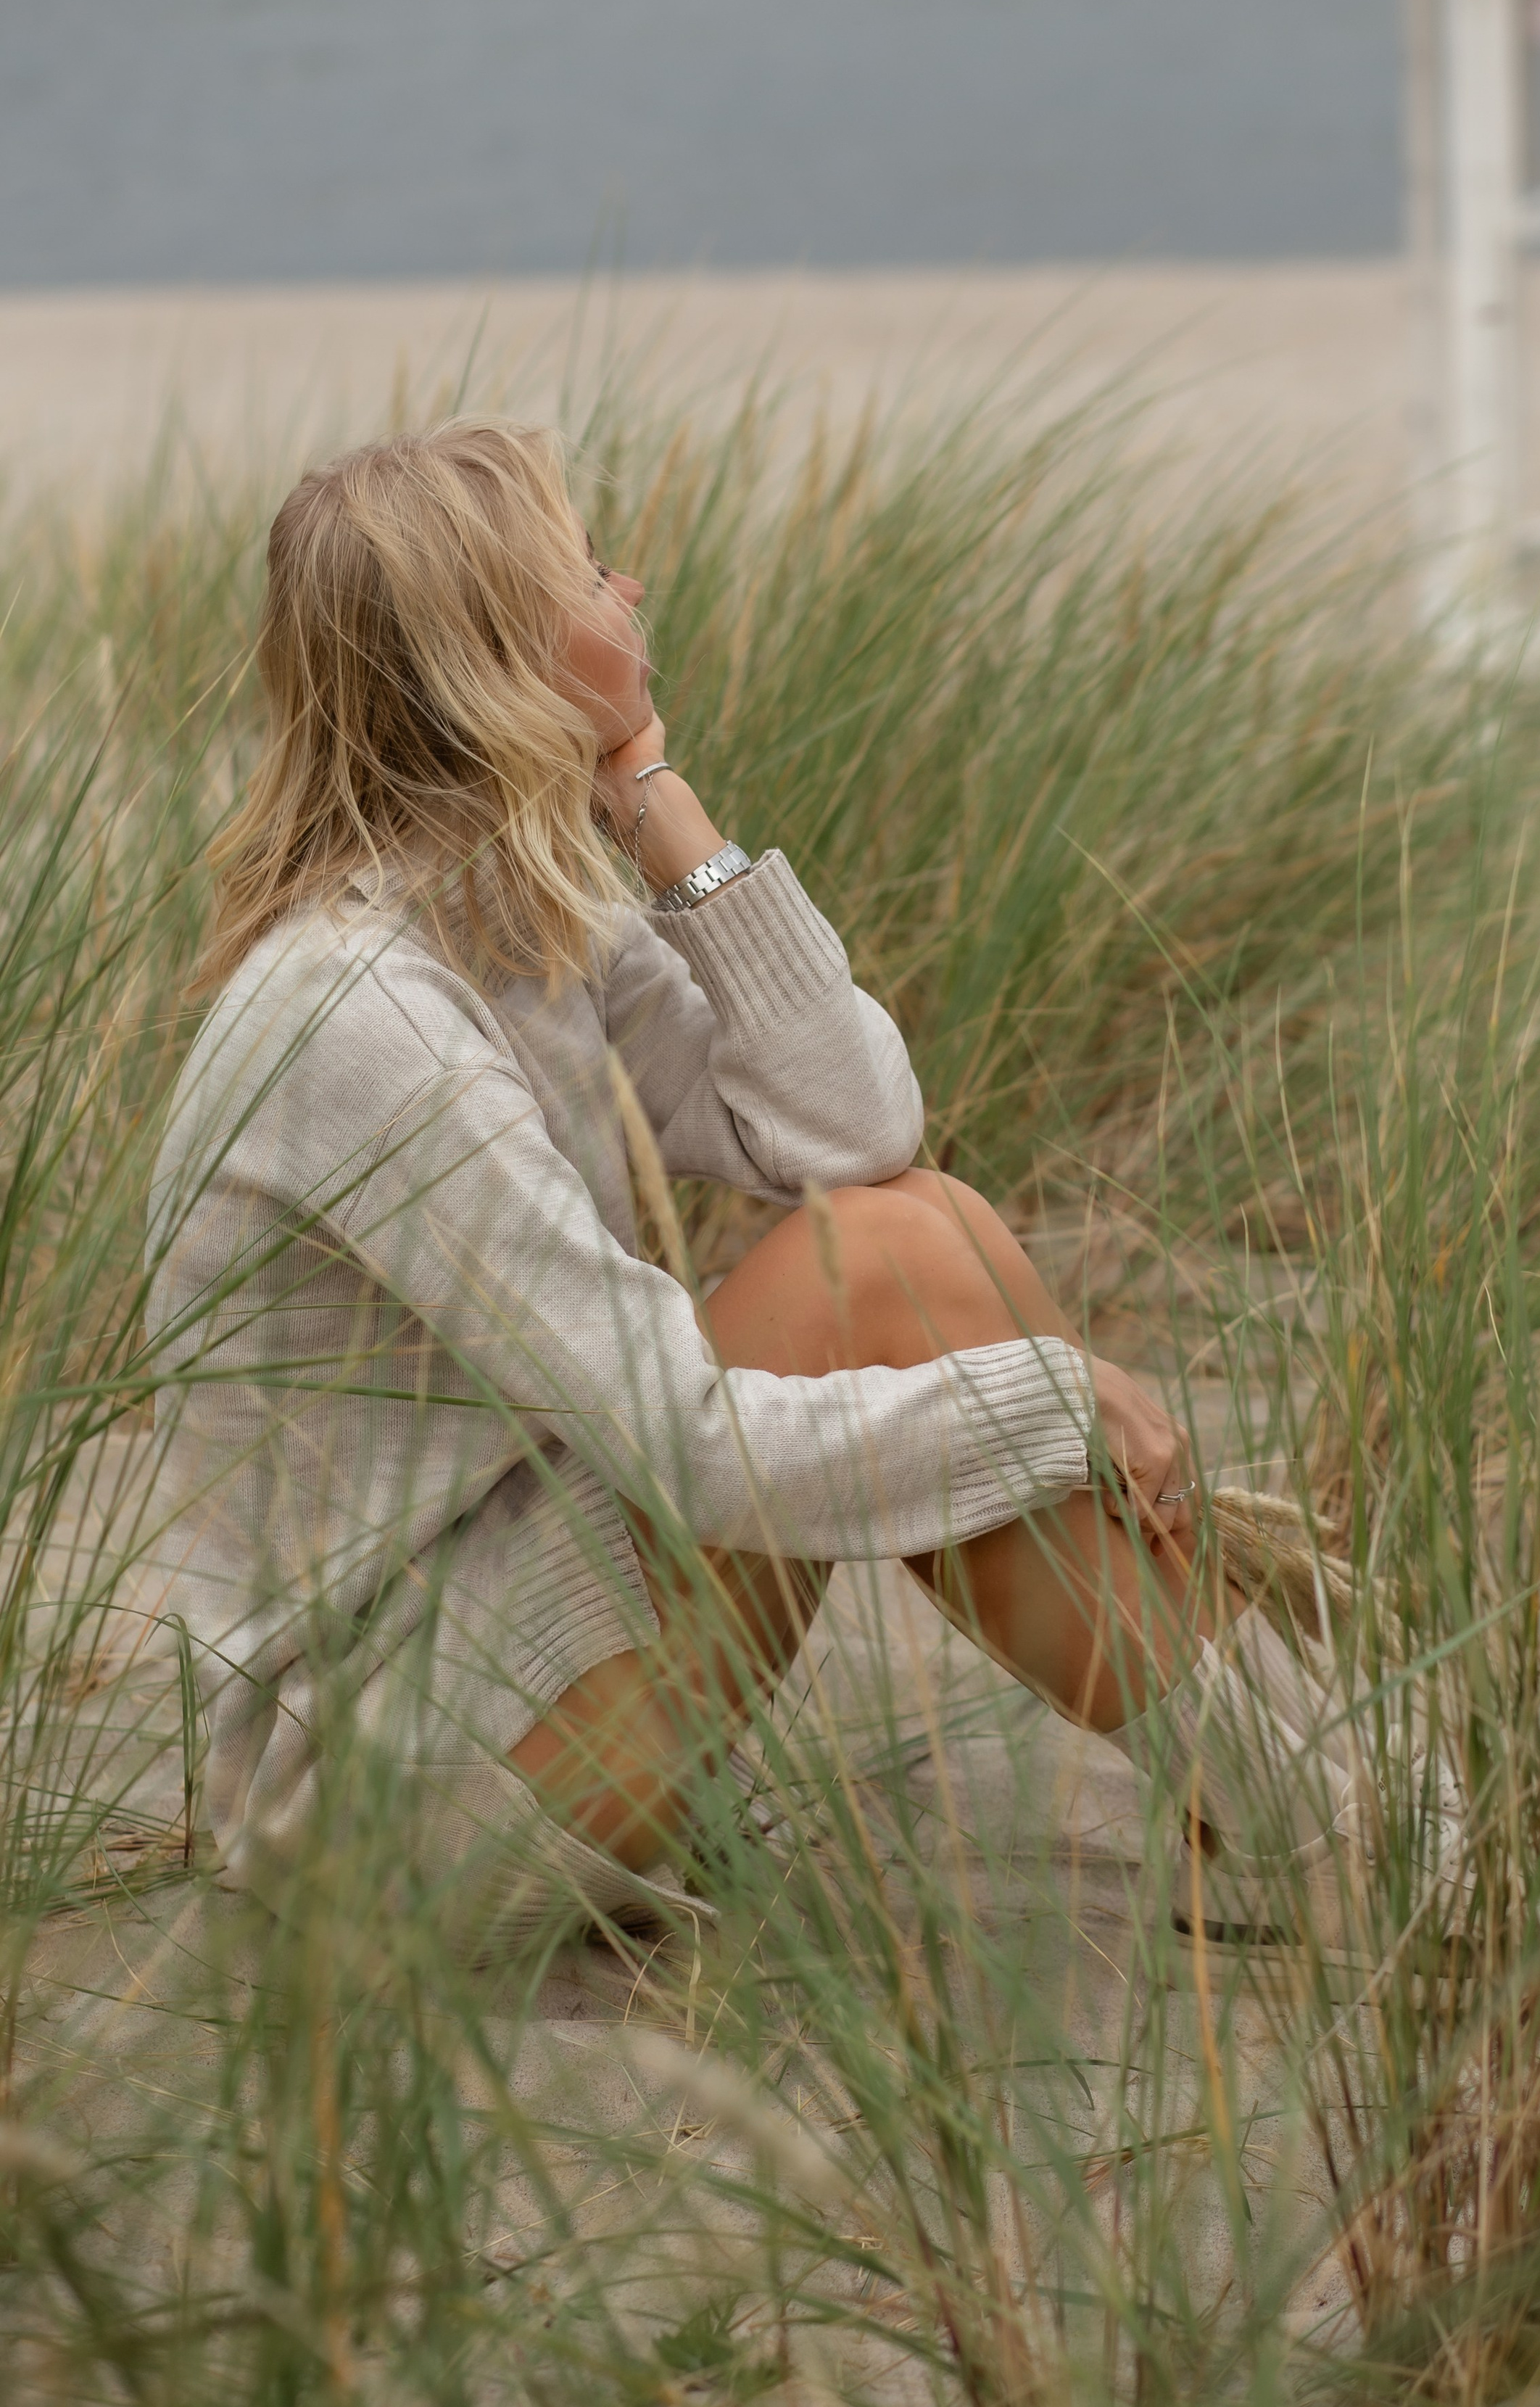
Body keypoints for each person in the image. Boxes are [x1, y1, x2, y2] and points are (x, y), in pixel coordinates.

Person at [147, 420, 1354, 1963]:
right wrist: (1047, 1406)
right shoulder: (357, 1011)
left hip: (508, 1661)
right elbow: (687, 1453)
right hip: (381, 1808)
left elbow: (855, 1129)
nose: (631, 588)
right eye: (589, 572)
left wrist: (651, 793)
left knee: (912, 1228)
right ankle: (1327, 1820)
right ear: (501, 658)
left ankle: (1299, 1805)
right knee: (888, 1269)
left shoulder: (510, 918)